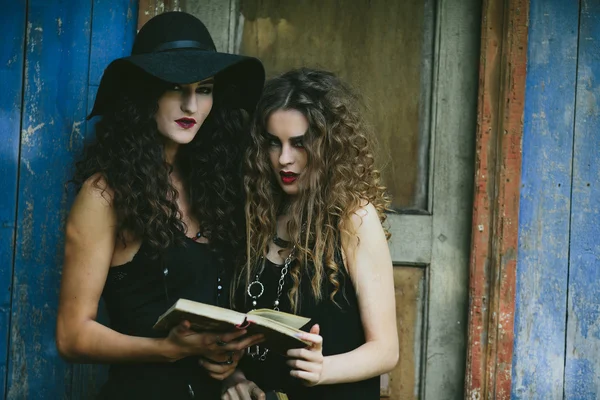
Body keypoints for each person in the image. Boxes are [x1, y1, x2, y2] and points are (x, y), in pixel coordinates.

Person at [55, 12, 266, 399]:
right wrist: (165, 350)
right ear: (144, 93)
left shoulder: (214, 187)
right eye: (175, 88)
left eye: (205, 89)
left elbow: (208, 327)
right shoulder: (105, 195)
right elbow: (72, 336)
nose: (191, 105)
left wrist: (231, 375)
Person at [223, 68, 398, 400]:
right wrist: (234, 376)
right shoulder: (255, 213)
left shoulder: (354, 218)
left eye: (299, 144)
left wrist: (323, 370)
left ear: (328, 144)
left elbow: (386, 350)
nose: (284, 160)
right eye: (274, 143)